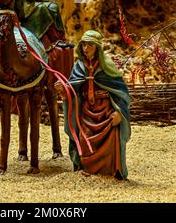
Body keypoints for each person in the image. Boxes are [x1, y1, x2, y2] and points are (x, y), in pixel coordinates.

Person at [55, 30, 131, 180]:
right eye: (84, 45)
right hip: (86, 113)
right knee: (84, 140)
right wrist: (63, 90)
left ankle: (109, 173)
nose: (86, 49)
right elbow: (72, 90)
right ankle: (87, 170)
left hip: (106, 111)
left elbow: (121, 92)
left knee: (110, 143)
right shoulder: (78, 66)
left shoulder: (107, 66)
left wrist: (120, 113)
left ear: (97, 48)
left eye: (90, 45)